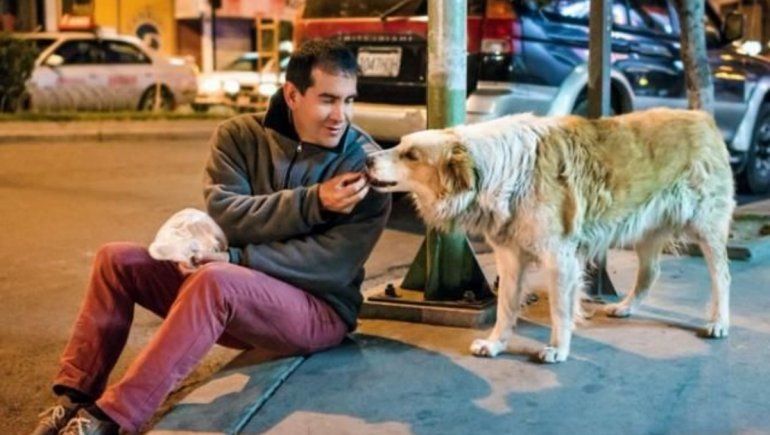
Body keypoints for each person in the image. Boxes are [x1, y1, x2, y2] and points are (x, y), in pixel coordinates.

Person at [31, 39, 391, 435]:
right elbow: (228, 216)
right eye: (327, 100)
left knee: (216, 280)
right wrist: (314, 202)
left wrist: (238, 261)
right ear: (292, 94)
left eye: (349, 101)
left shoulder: (363, 164)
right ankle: (76, 397)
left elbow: (332, 265)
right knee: (116, 259)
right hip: (241, 303)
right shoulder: (238, 136)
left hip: (317, 312)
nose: (340, 116)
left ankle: (113, 418)